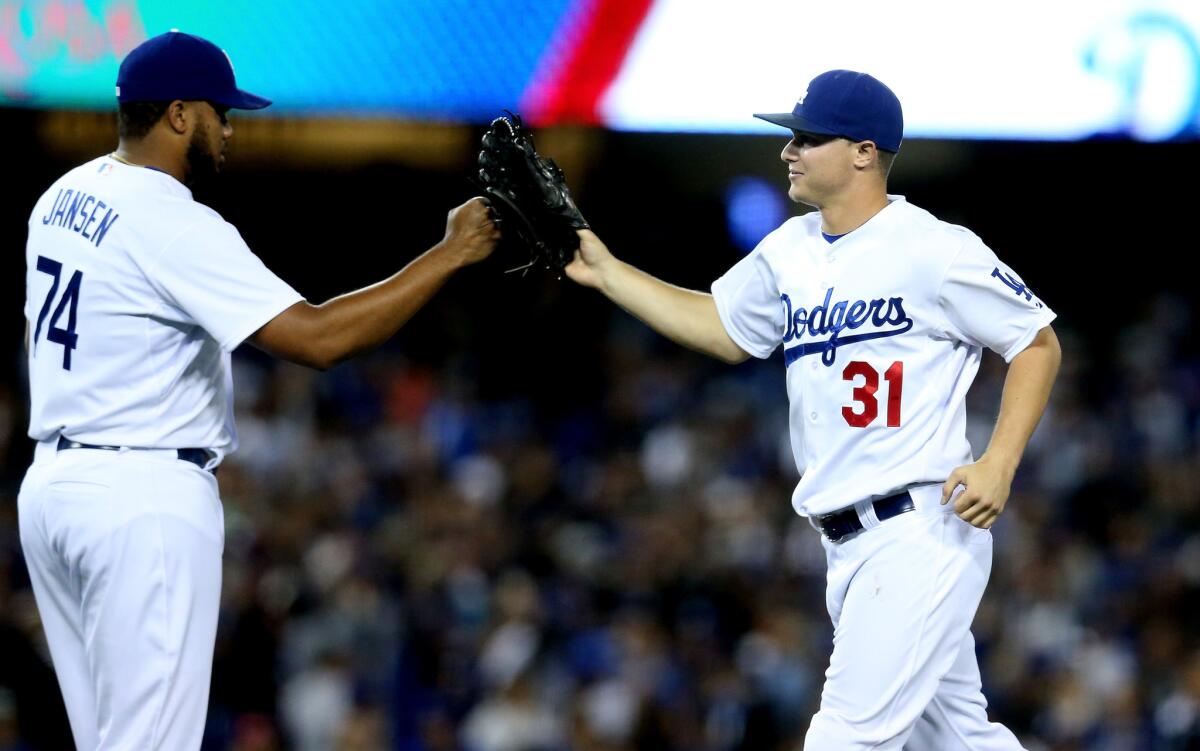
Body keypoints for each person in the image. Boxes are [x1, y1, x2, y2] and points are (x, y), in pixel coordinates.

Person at [18, 30, 498, 750]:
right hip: (137, 497)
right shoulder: (172, 218)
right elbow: (319, 338)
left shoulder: (63, 195)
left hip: (53, 490)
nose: (230, 126)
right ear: (178, 114)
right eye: (220, 110)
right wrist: (449, 254)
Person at [565, 69, 1060, 749]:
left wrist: (999, 461)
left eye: (806, 137)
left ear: (863, 151)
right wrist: (610, 272)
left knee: (842, 738)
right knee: (962, 740)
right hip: (846, 546)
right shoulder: (791, 248)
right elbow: (722, 327)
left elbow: (1036, 342)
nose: (787, 151)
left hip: (918, 531)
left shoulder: (934, 248)